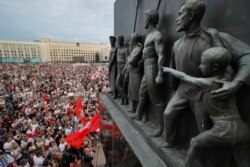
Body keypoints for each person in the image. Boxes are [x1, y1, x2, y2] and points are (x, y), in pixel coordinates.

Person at [163, 0, 250, 147]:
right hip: (183, 89)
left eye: (180, 14)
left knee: (203, 127)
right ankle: (169, 143)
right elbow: (175, 71)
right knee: (168, 114)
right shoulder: (177, 44)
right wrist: (174, 89)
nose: (177, 19)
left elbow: (247, 56)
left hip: (204, 92)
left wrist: (236, 84)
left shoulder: (214, 37)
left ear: (191, 16)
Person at [162, 47, 250, 167]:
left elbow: (184, 77)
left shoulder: (208, 83)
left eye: (203, 64)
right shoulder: (228, 79)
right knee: (243, 161)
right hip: (242, 129)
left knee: (195, 142)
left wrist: (168, 70)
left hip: (225, 128)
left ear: (215, 67)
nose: (199, 66)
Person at [130, 9, 166, 137]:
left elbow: (161, 55)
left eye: (145, 17)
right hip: (146, 66)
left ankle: (161, 128)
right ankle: (139, 113)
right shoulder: (149, 35)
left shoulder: (157, 35)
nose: (144, 20)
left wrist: (160, 74)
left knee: (156, 99)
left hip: (152, 68)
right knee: (142, 92)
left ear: (150, 18)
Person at [126, 32, 143, 113]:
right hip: (131, 73)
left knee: (136, 91)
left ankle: (139, 110)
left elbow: (132, 61)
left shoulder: (138, 49)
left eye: (131, 38)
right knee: (131, 91)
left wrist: (128, 58)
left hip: (135, 73)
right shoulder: (135, 49)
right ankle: (132, 108)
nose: (130, 40)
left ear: (134, 39)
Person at [116, 35, 129, 105]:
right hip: (118, 67)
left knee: (123, 85)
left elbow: (127, 60)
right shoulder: (118, 49)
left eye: (120, 40)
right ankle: (124, 97)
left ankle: (124, 99)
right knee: (118, 84)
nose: (118, 41)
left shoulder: (125, 49)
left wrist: (125, 69)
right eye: (118, 40)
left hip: (123, 67)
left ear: (122, 40)